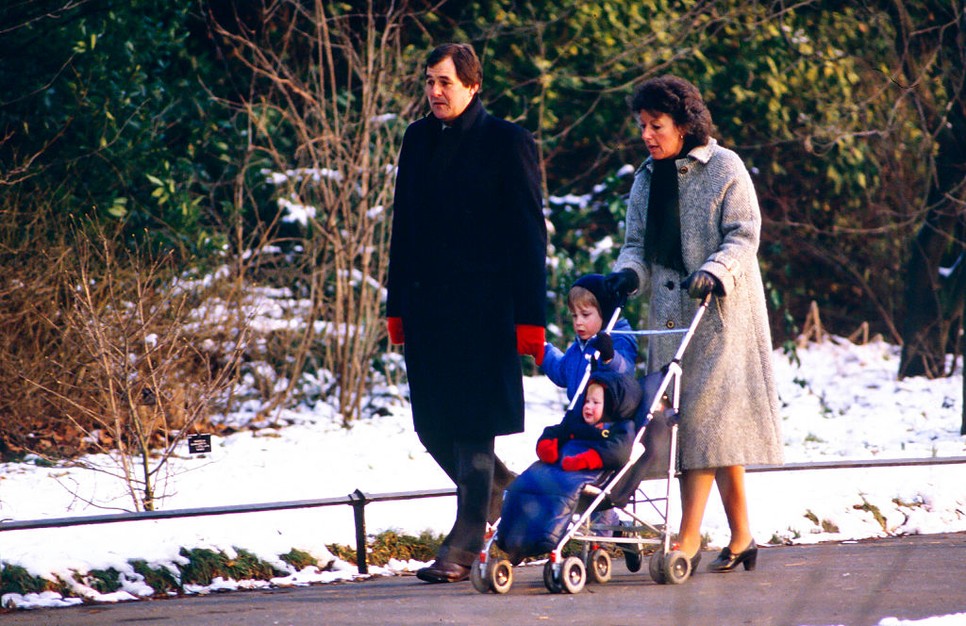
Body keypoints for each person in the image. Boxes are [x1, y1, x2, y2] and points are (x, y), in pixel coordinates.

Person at [604, 75, 783, 574]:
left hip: (720, 316)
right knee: (710, 428)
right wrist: (625, 276)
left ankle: (687, 537)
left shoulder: (725, 167)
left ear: (683, 125)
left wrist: (714, 269)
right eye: (642, 125)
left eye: (655, 125)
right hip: (668, 320)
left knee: (697, 425)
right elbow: (635, 246)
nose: (646, 134)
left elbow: (744, 234)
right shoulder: (645, 177)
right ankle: (743, 536)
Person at [385, 43, 547, 584]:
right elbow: (402, 225)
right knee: (433, 425)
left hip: (485, 313)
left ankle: (464, 541)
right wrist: (396, 306)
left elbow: (528, 235)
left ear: (473, 85)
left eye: (445, 82)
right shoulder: (416, 139)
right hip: (428, 309)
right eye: (429, 81)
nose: (434, 92)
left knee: (474, 427)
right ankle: (507, 493)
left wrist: (530, 316)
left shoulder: (508, 142)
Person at [540, 274, 638, 402]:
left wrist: (610, 358)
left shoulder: (618, 338)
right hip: (578, 415)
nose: (578, 322)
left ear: (605, 313)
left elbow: (626, 373)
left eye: (585, 315)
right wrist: (542, 350)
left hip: (606, 419)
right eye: (574, 316)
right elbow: (563, 372)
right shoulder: (579, 346)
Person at [535, 371, 640, 472]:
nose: (588, 406)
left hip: (587, 476)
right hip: (559, 470)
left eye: (595, 402)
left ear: (610, 407)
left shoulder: (620, 427)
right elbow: (557, 431)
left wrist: (586, 460)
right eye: (587, 401)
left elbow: (619, 451)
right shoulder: (576, 421)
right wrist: (545, 445)